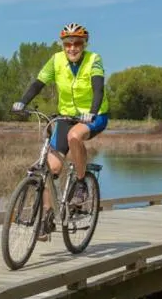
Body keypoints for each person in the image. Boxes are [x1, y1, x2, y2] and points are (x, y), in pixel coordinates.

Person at [12, 23, 109, 239]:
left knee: (75, 136)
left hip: (94, 116)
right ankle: (47, 217)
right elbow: (39, 83)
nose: (72, 48)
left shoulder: (94, 60)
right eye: (68, 44)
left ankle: (82, 182)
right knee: (50, 167)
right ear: (63, 45)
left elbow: (98, 88)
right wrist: (22, 102)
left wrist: (92, 112)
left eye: (77, 44)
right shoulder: (56, 60)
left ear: (84, 44)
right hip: (65, 116)